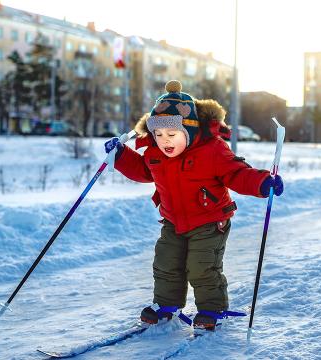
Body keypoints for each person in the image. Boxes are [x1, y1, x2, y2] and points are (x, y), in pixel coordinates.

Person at [104, 80, 283, 332]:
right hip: (173, 221)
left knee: (202, 268)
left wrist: (262, 183)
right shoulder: (156, 153)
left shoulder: (212, 151)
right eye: (158, 134)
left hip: (210, 221)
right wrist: (121, 155)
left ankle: (212, 309)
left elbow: (237, 173)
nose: (164, 141)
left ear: (188, 130)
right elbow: (143, 170)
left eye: (172, 134)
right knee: (166, 263)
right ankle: (166, 306)